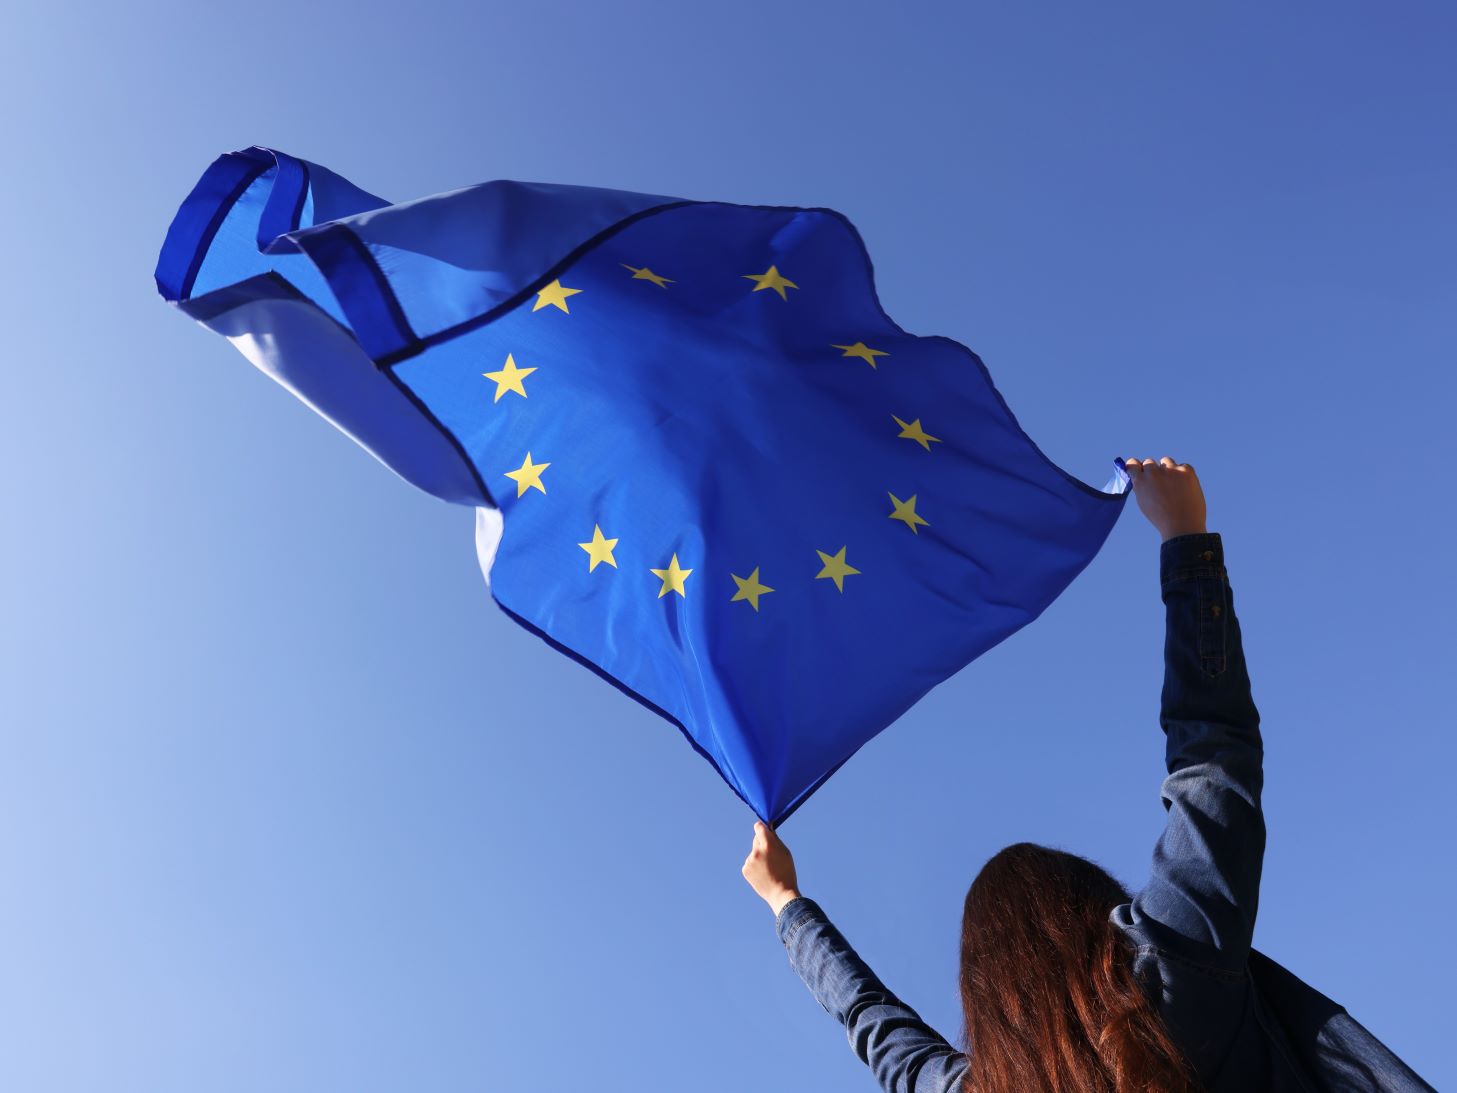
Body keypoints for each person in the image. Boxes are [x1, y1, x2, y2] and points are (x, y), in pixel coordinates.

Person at [742, 457, 1432, 1093]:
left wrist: (785, 904)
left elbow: (874, 1028)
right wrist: (1185, 541)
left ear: (980, 989)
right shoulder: (1172, 971)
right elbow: (1211, 762)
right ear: (1095, 913)